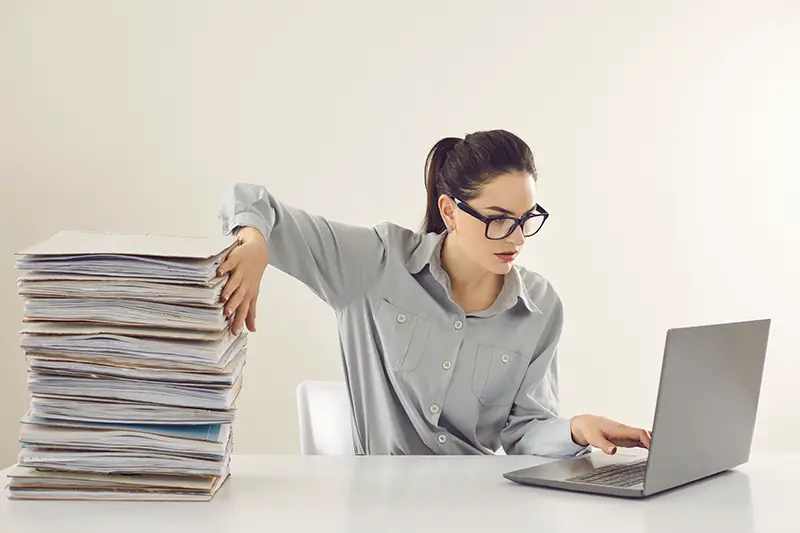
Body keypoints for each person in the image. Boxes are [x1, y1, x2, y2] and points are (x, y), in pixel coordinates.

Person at [216, 129, 652, 457]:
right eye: (498, 219)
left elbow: (524, 432)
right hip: (379, 508)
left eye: (525, 218)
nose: (516, 238)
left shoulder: (540, 307)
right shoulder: (374, 263)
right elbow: (250, 199)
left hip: (479, 507)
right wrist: (254, 241)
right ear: (450, 211)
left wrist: (575, 428)